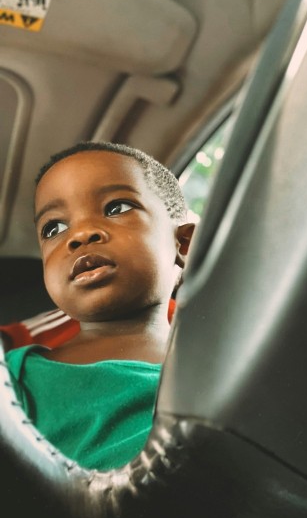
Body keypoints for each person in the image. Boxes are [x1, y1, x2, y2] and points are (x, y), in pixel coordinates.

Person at [5, 141, 195, 470]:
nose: (79, 235)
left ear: (183, 244)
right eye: (54, 228)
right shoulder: (13, 378)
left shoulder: (217, 376)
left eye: (117, 208)